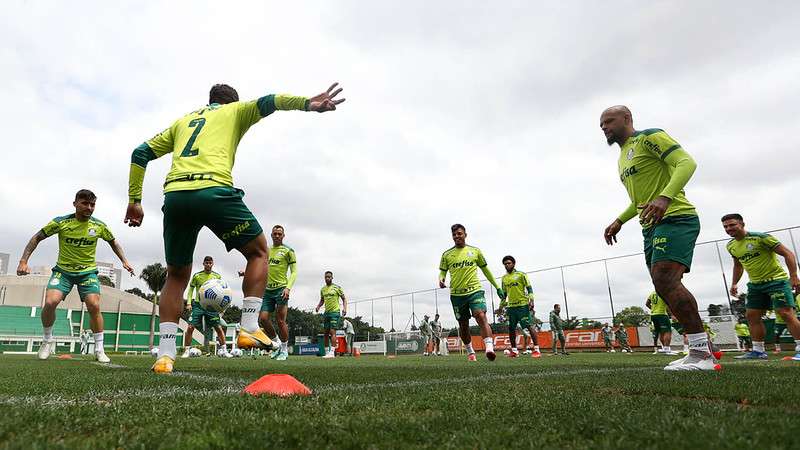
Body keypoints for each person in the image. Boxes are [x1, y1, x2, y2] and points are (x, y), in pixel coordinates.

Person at [125, 82, 344, 373]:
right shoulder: (235, 112)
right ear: (231, 102)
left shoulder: (182, 122)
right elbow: (271, 101)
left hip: (176, 195)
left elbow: (140, 152)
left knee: (176, 276)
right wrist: (308, 103)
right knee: (258, 253)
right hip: (214, 190)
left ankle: (165, 356)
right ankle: (249, 326)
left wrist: (134, 201)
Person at [600, 106, 717, 371]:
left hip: (676, 217)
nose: (604, 127)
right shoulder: (622, 158)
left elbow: (687, 162)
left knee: (665, 279)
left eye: (609, 121)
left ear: (627, 119)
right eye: (601, 125)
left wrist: (665, 197)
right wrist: (619, 220)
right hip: (650, 226)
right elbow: (638, 201)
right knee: (662, 285)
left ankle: (702, 354)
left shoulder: (650, 137)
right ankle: (701, 349)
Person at [17, 189, 134, 364]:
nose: (89, 207)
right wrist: (23, 261)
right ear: (75, 204)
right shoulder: (61, 222)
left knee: (94, 305)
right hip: (63, 272)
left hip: (87, 272)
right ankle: (47, 341)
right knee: (50, 302)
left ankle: (99, 349)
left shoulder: (99, 226)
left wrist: (124, 261)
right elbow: (37, 237)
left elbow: (113, 241)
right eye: (85, 203)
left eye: (92, 204)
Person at [722, 213, 800, 361]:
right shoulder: (730, 245)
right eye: (725, 226)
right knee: (752, 316)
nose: (729, 228)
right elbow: (738, 265)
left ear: (742, 224)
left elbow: (788, 254)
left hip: (776, 281)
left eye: (732, 225)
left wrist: (794, 276)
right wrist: (734, 283)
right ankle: (758, 351)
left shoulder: (761, 237)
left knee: (785, 313)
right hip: (755, 285)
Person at [438, 224, 505, 362]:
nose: (457, 236)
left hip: (475, 291)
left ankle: (489, 348)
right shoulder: (446, 255)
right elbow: (443, 271)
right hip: (457, 295)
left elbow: (486, 270)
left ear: (465, 234)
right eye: (454, 234)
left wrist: (497, 287)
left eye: (459, 233)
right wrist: (441, 279)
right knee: (463, 324)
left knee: (480, 315)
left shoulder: (475, 251)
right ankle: (470, 351)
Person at [258, 225, 297, 361]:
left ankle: (285, 350)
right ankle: (278, 344)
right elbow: (262, 268)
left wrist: (288, 288)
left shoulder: (288, 251)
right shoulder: (267, 251)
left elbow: (294, 272)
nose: (277, 236)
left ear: (283, 236)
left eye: (280, 234)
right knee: (263, 319)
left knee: (281, 321)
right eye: (275, 234)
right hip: (267, 291)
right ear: (271, 235)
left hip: (281, 289)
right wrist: (246, 273)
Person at [182, 256, 228, 358]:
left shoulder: (217, 276)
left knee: (218, 328)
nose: (208, 264)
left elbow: (222, 292)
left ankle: (224, 350)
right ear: (203, 264)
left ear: (212, 264)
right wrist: (189, 303)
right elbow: (191, 289)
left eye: (210, 263)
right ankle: (186, 351)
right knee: (190, 327)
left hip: (211, 307)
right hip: (198, 305)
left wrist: (222, 308)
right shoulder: (197, 276)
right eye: (206, 263)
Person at [500, 255, 541, 358]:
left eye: (509, 263)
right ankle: (514, 351)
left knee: (528, 326)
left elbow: (529, 289)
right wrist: (501, 306)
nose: (507, 265)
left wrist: (531, 300)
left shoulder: (521, 275)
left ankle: (536, 350)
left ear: (513, 264)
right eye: (505, 264)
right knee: (511, 328)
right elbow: (504, 295)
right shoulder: (504, 278)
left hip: (522, 305)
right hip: (511, 307)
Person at [315, 271, 346, 359]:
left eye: (329, 277)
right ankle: (326, 352)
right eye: (326, 277)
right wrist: (318, 306)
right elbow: (322, 300)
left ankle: (332, 353)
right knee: (325, 333)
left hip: (335, 312)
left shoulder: (337, 287)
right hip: (326, 313)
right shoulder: (323, 289)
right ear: (324, 278)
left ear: (332, 278)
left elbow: (344, 299)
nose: (327, 278)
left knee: (332, 332)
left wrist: (345, 308)